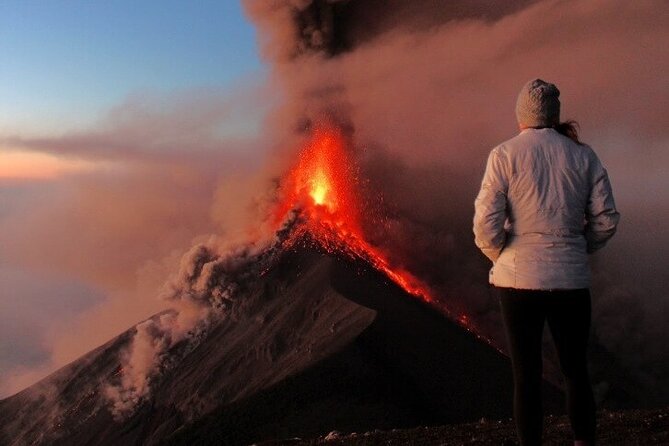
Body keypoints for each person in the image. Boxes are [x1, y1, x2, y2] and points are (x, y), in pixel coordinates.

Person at [472, 79, 620, 446]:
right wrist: (576, 247)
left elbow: (485, 225)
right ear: (554, 116)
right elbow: (606, 218)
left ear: (522, 115)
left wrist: (501, 255)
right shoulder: (584, 156)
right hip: (570, 279)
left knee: (526, 375)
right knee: (575, 371)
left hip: (518, 281)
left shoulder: (503, 155)